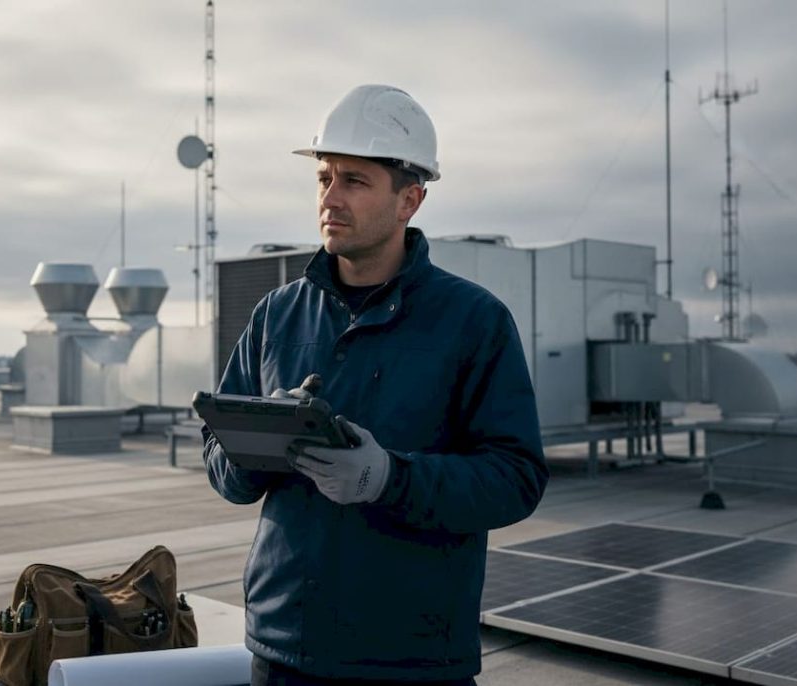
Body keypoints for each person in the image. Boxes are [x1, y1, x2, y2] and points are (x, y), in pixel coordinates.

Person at [202, 84, 548, 685]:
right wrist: (259, 442)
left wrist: (389, 477)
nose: (330, 198)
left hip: (412, 658)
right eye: (324, 178)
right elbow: (221, 464)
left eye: (354, 181)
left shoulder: (473, 321)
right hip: (284, 649)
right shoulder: (277, 314)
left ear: (409, 199)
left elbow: (515, 479)